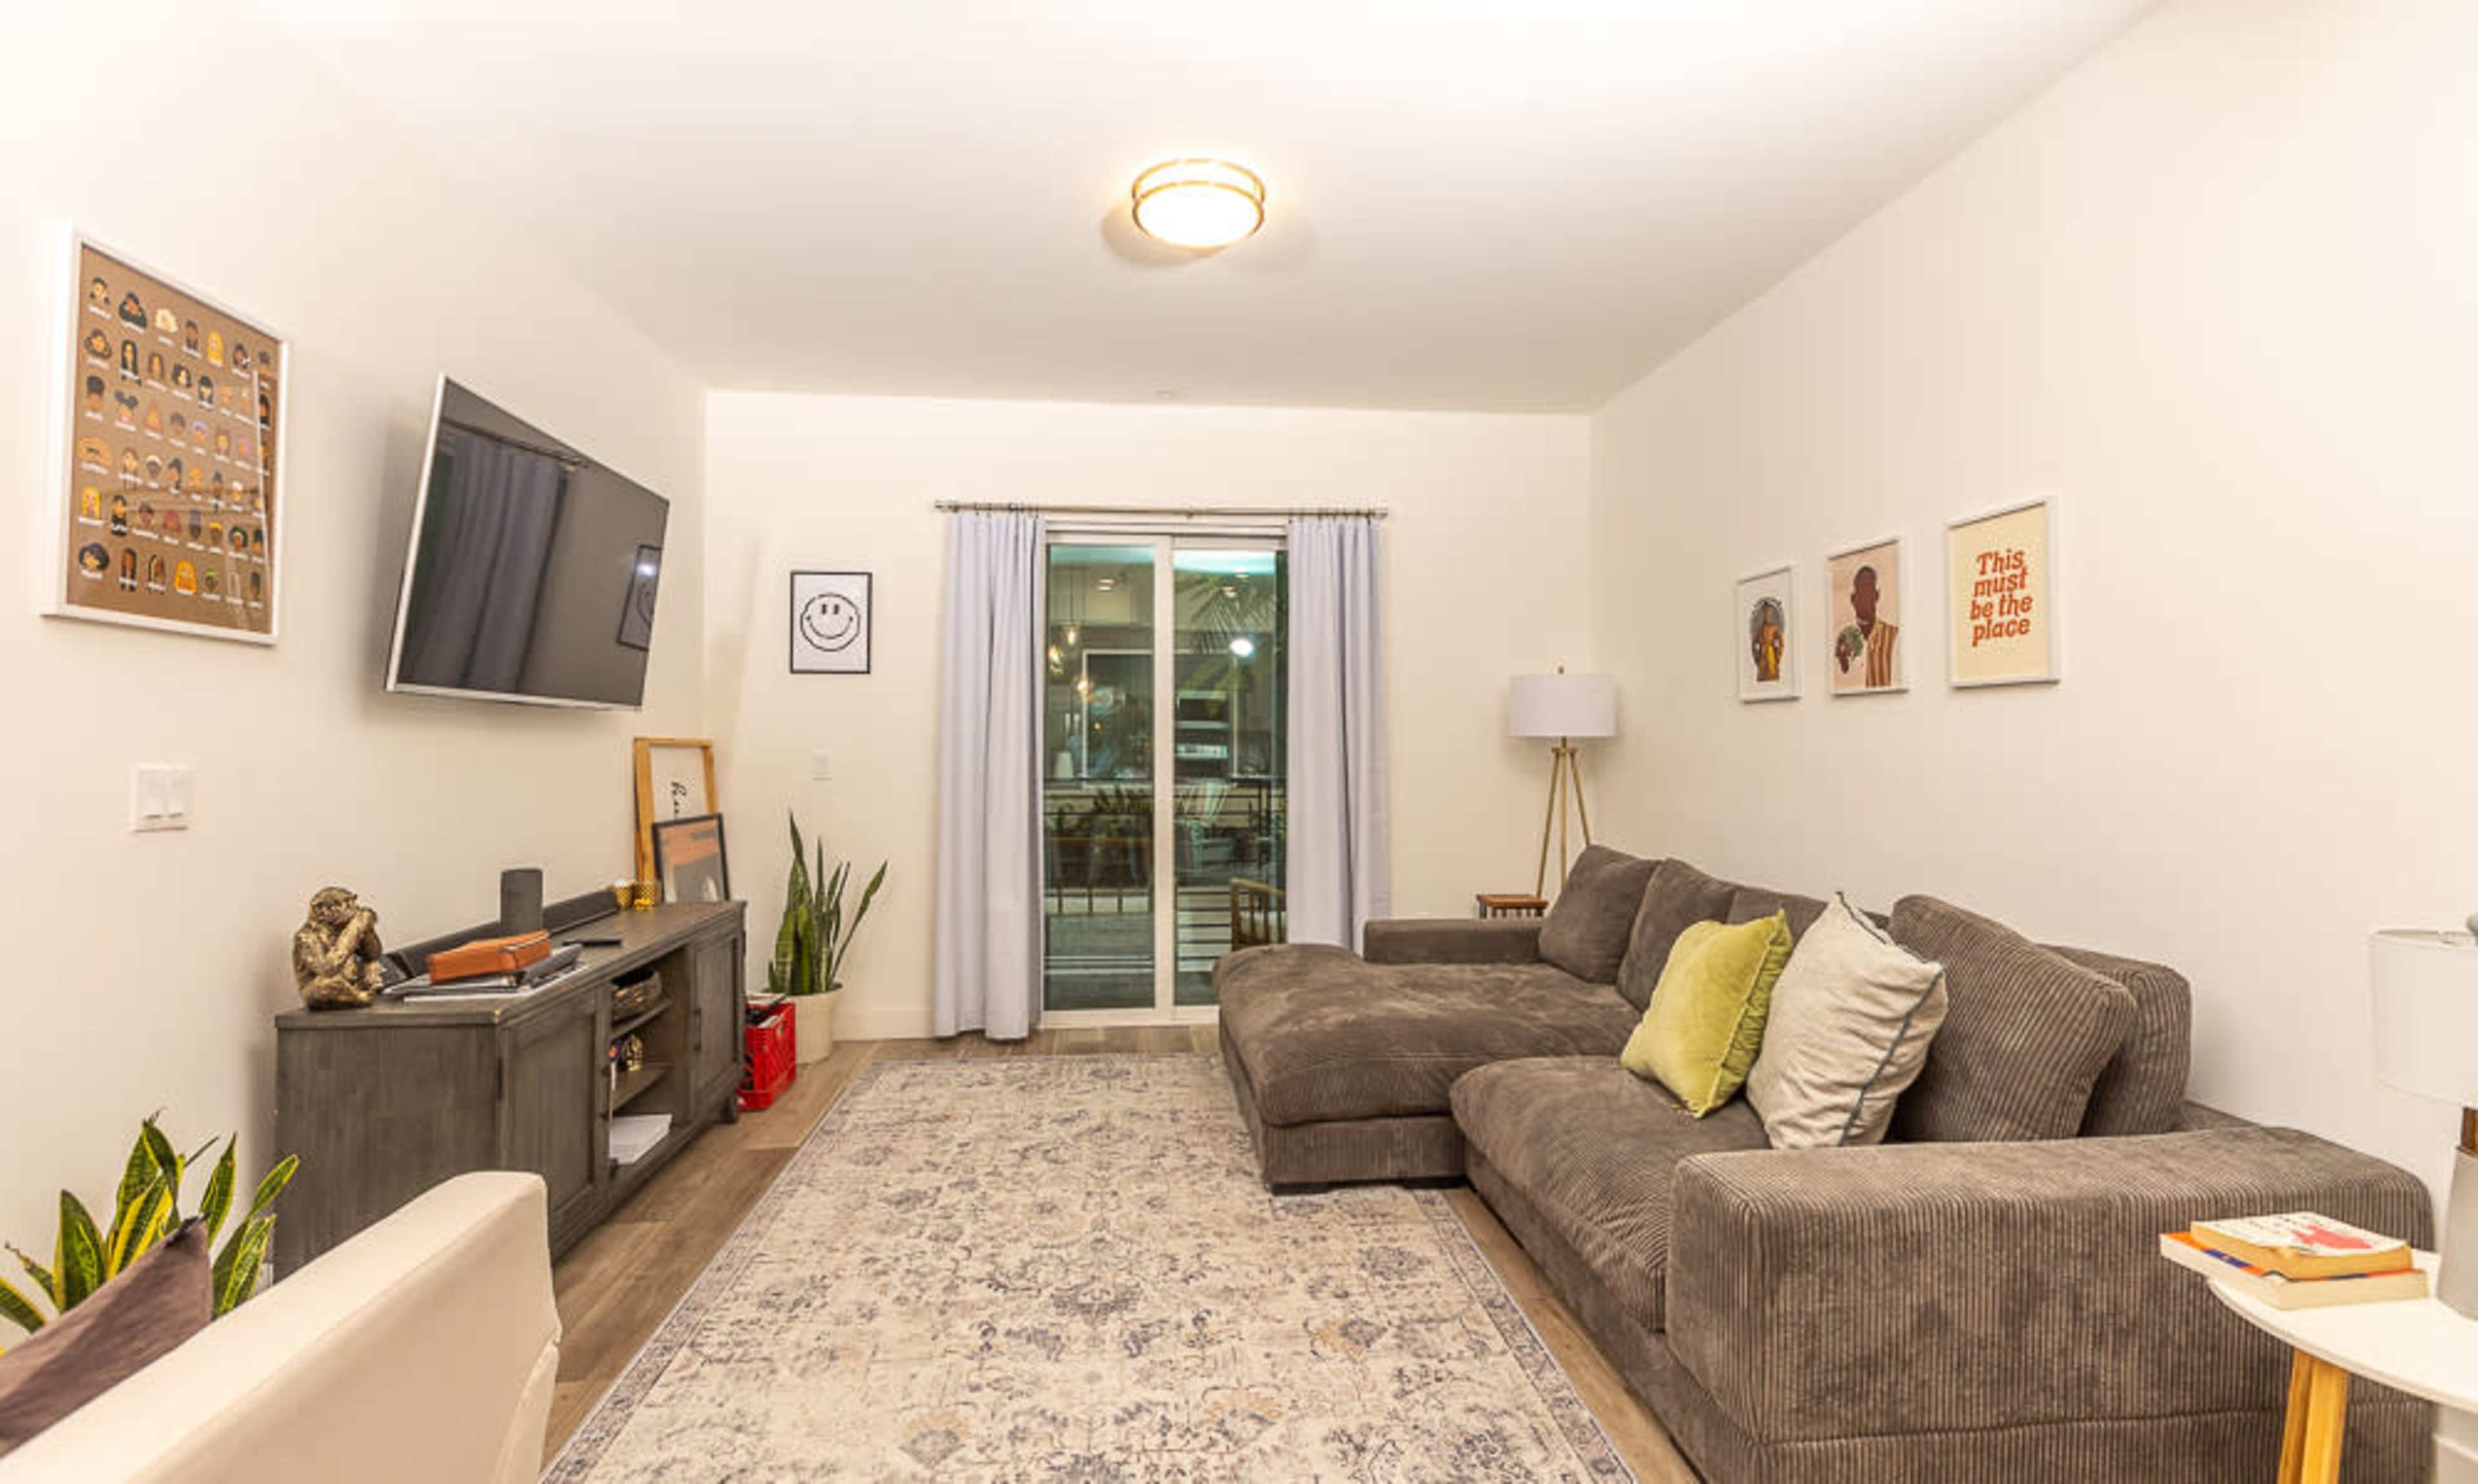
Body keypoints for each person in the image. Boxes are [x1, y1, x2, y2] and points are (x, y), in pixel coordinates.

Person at [1834, 564, 1900, 688]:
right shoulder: (1843, 638)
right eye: (1861, 590)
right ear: (1853, 598)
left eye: (1869, 590)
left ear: (1877, 596)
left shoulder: (1893, 635)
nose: (1865, 596)